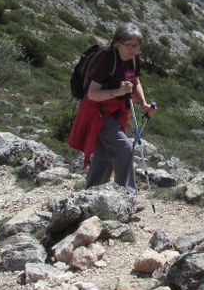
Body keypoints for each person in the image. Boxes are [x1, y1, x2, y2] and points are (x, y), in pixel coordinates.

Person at [67, 23, 157, 193]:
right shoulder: (105, 60)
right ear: (117, 43)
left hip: (115, 112)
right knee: (125, 149)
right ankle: (128, 194)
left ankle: (92, 193)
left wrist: (144, 103)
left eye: (136, 45)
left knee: (105, 154)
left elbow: (135, 81)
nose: (133, 49)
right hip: (97, 112)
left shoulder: (133, 59)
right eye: (129, 45)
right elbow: (92, 94)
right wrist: (118, 91)